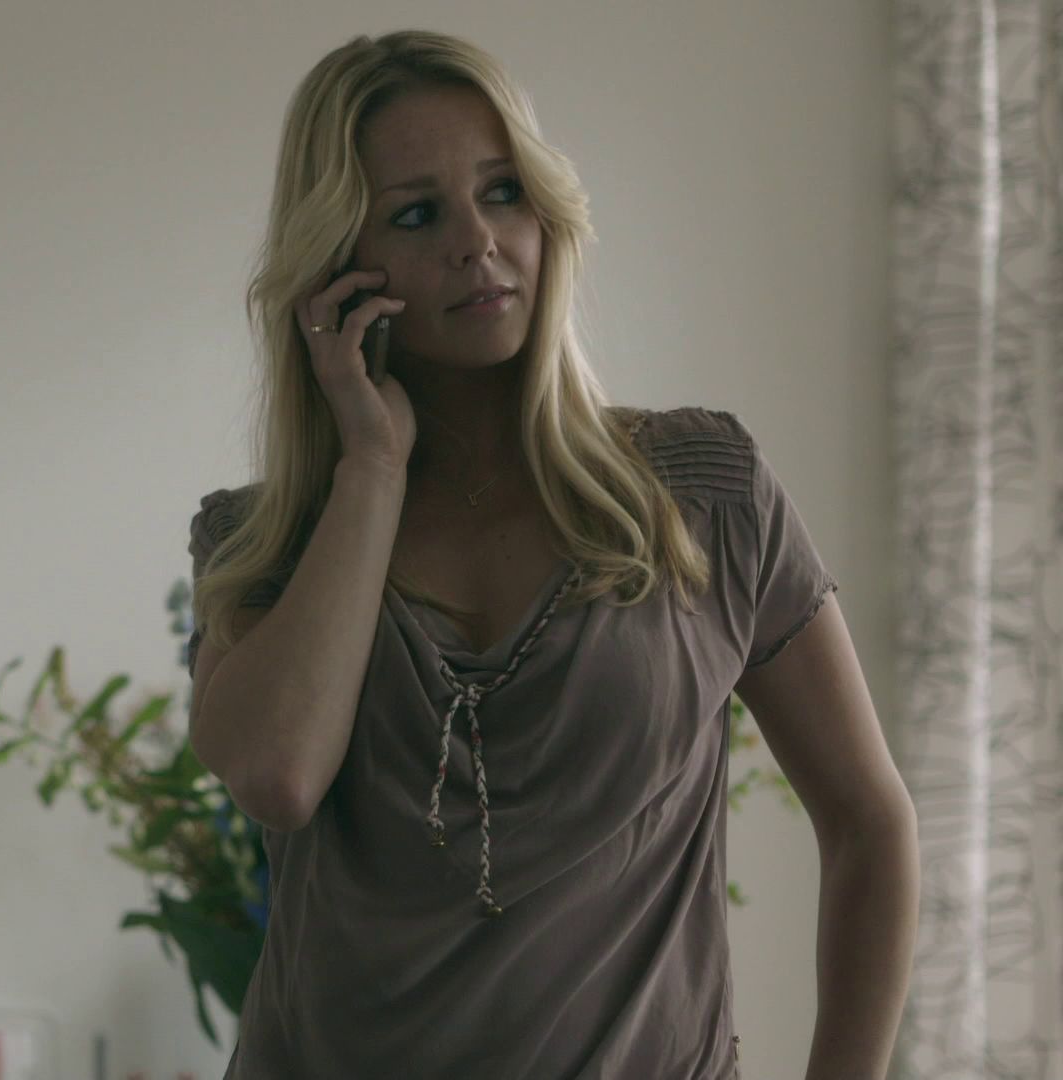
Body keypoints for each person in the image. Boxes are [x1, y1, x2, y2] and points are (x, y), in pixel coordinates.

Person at [184, 30, 841, 1078]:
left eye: (502, 193)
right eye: (416, 214)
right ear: (338, 270)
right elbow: (277, 777)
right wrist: (371, 469)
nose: (478, 242)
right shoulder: (262, 545)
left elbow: (869, 824)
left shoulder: (702, 493)